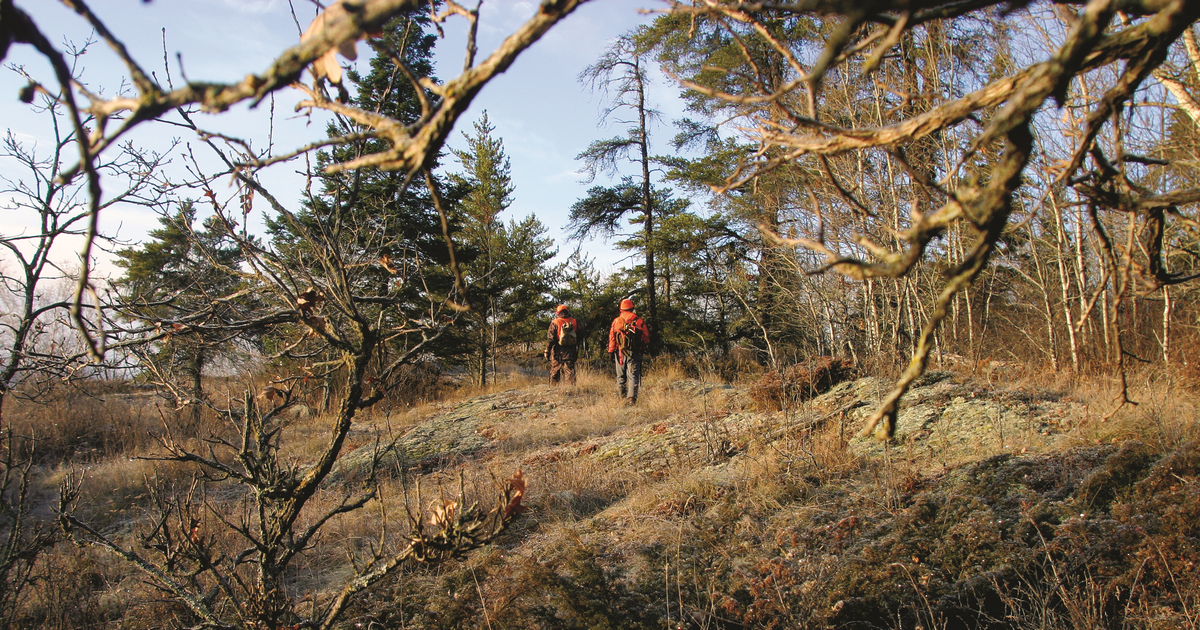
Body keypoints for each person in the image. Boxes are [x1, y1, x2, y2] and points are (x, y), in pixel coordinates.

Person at [606, 298, 649, 405]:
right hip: (635, 353)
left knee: (620, 376)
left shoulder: (616, 321)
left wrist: (610, 352)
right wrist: (643, 348)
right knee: (633, 376)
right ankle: (631, 400)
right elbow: (646, 337)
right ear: (632, 308)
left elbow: (612, 337)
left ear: (621, 309)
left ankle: (622, 398)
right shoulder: (639, 321)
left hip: (620, 353)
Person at [545, 304, 579, 386]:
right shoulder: (574, 321)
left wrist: (547, 350)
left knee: (555, 370)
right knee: (569, 370)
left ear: (558, 313)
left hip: (557, 349)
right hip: (571, 349)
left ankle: (554, 389)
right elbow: (581, 334)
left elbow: (551, 339)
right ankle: (571, 389)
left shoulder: (555, 322)